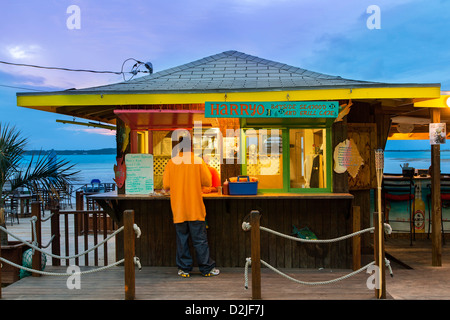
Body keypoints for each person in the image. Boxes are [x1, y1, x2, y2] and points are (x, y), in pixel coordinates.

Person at [163, 133, 220, 278]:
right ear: (192, 147)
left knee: (182, 240)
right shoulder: (198, 161)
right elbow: (208, 182)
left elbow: (166, 185)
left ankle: (184, 269)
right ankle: (206, 269)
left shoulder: (171, 162)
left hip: (179, 208)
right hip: (195, 207)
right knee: (200, 240)